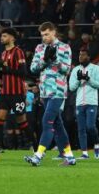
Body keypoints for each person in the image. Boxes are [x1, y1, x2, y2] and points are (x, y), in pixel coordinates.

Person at [24, 22, 75, 166]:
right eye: (42, 35)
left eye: (46, 34)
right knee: (58, 124)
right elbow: (33, 68)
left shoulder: (65, 47)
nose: (44, 38)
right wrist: (45, 60)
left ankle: (38, 156)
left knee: (47, 121)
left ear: (54, 32)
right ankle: (70, 157)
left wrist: (55, 60)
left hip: (58, 91)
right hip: (45, 91)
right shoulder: (39, 48)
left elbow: (66, 70)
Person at [0, 27, 30, 161]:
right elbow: (5, 74)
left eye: (5, 36)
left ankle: (37, 149)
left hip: (17, 93)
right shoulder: (3, 54)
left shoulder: (18, 52)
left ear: (12, 38)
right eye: (1, 36)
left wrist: (5, 69)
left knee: (22, 123)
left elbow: (23, 72)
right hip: (5, 93)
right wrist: (0, 71)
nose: (2, 38)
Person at [68, 48, 99, 160]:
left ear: (89, 57)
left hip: (91, 102)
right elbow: (71, 87)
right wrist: (79, 80)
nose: (80, 57)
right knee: (81, 128)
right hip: (79, 102)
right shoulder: (75, 70)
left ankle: (97, 144)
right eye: (79, 54)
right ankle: (84, 153)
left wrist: (88, 78)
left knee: (90, 126)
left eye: (83, 55)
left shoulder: (95, 68)